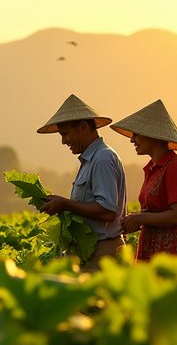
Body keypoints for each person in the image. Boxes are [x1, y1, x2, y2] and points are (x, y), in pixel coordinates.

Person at [36, 94, 127, 272]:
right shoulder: (90, 160)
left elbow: (107, 211)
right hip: (91, 252)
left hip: (103, 252)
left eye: (65, 134)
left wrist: (65, 204)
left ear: (83, 127)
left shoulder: (102, 158)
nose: (63, 141)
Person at [110, 99, 177, 261]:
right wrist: (136, 218)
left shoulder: (175, 167)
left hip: (172, 252)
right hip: (152, 245)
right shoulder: (152, 167)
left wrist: (141, 218)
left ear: (154, 136)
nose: (132, 139)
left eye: (137, 134)